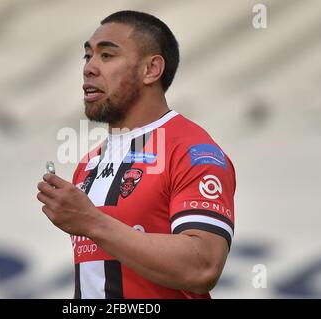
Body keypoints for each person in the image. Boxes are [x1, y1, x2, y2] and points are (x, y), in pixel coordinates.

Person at [36, 10, 236, 299]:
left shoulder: (192, 152)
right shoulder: (89, 163)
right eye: (87, 56)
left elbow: (202, 267)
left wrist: (92, 221)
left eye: (107, 56)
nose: (89, 68)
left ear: (151, 69)